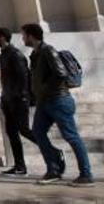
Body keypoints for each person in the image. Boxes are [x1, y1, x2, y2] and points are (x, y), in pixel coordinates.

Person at [22, 23, 94, 187]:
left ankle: (86, 174)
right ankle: (53, 169)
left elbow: (60, 73)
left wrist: (45, 88)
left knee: (71, 136)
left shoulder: (48, 51)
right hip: (44, 102)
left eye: (24, 35)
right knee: (38, 133)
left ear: (31, 36)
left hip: (58, 100)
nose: (23, 38)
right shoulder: (35, 54)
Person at [0, 27, 37, 176]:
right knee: (11, 132)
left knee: (24, 130)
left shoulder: (15, 54)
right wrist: (5, 97)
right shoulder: (3, 55)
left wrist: (22, 97)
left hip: (19, 100)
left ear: (2, 38)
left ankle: (53, 151)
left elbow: (24, 77)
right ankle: (20, 166)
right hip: (8, 99)